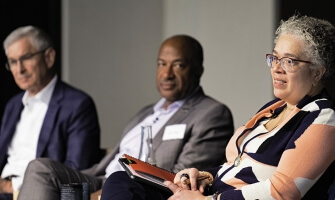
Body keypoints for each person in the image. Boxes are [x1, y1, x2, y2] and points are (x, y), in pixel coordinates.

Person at [100, 14, 335, 200]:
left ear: (317, 72)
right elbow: (236, 165)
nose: (276, 68)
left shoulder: (322, 117)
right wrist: (202, 176)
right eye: (274, 58)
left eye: (289, 61)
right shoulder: (274, 107)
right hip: (211, 191)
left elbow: (283, 193)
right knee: (122, 180)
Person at [16, 34, 234, 200]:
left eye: (178, 65)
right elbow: (111, 161)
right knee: (40, 168)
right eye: (161, 64)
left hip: (136, 188)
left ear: (198, 70)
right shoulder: (146, 112)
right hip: (101, 178)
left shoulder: (212, 114)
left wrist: (103, 193)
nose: (167, 74)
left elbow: (182, 178)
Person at [0, 26, 102, 199]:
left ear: (49, 57)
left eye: (26, 58)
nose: (19, 69)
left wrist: (10, 187)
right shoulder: (13, 105)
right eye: (13, 62)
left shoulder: (78, 104)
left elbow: (75, 172)